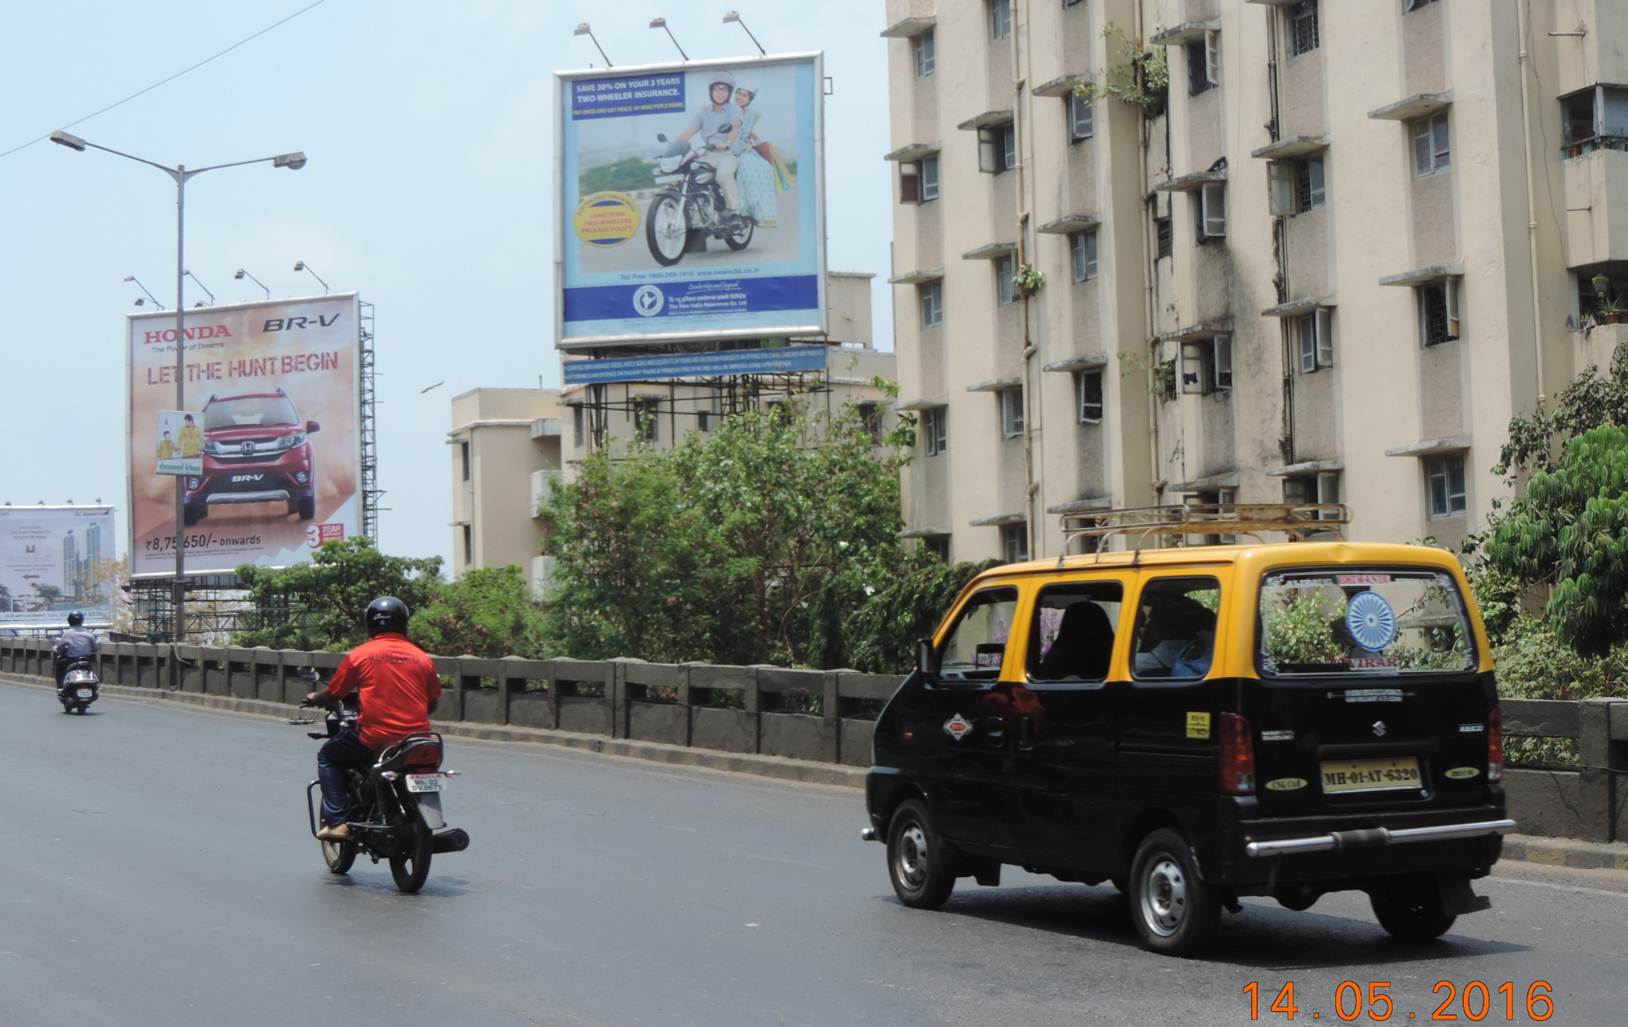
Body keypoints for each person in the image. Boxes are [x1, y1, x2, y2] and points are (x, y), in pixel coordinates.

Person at [306, 596, 442, 842]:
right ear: (404, 623)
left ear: (370, 624)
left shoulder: (361, 655)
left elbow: (334, 694)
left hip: (375, 738)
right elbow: (431, 702)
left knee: (328, 756)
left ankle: (337, 822)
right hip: (418, 740)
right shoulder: (423, 658)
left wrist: (316, 698)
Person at [671, 71, 743, 212]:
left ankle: (735, 210)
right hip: (706, 155)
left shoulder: (734, 110)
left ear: (729, 93)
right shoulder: (703, 113)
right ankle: (696, 211)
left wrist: (727, 142)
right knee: (686, 175)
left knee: (723, 175)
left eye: (724, 90)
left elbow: (735, 127)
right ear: (711, 92)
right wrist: (674, 148)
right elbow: (689, 132)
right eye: (717, 89)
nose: (720, 93)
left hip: (727, 155)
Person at [729, 82, 779, 227]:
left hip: (744, 147)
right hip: (727, 146)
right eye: (739, 93)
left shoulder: (752, 114)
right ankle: (743, 208)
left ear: (749, 99)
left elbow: (745, 131)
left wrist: (751, 138)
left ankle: (758, 212)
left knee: (765, 168)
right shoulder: (728, 110)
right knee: (745, 168)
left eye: (745, 95)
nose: (740, 97)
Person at [52, 611, 98, 688]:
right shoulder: (89, 633)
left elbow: (59, 648)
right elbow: (95, 648)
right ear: (82, 620)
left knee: (59, 668)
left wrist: (56, 649)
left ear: (69, 621)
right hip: (87, 660)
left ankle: (60, 688)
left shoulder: (68, 633)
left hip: (72, 660)